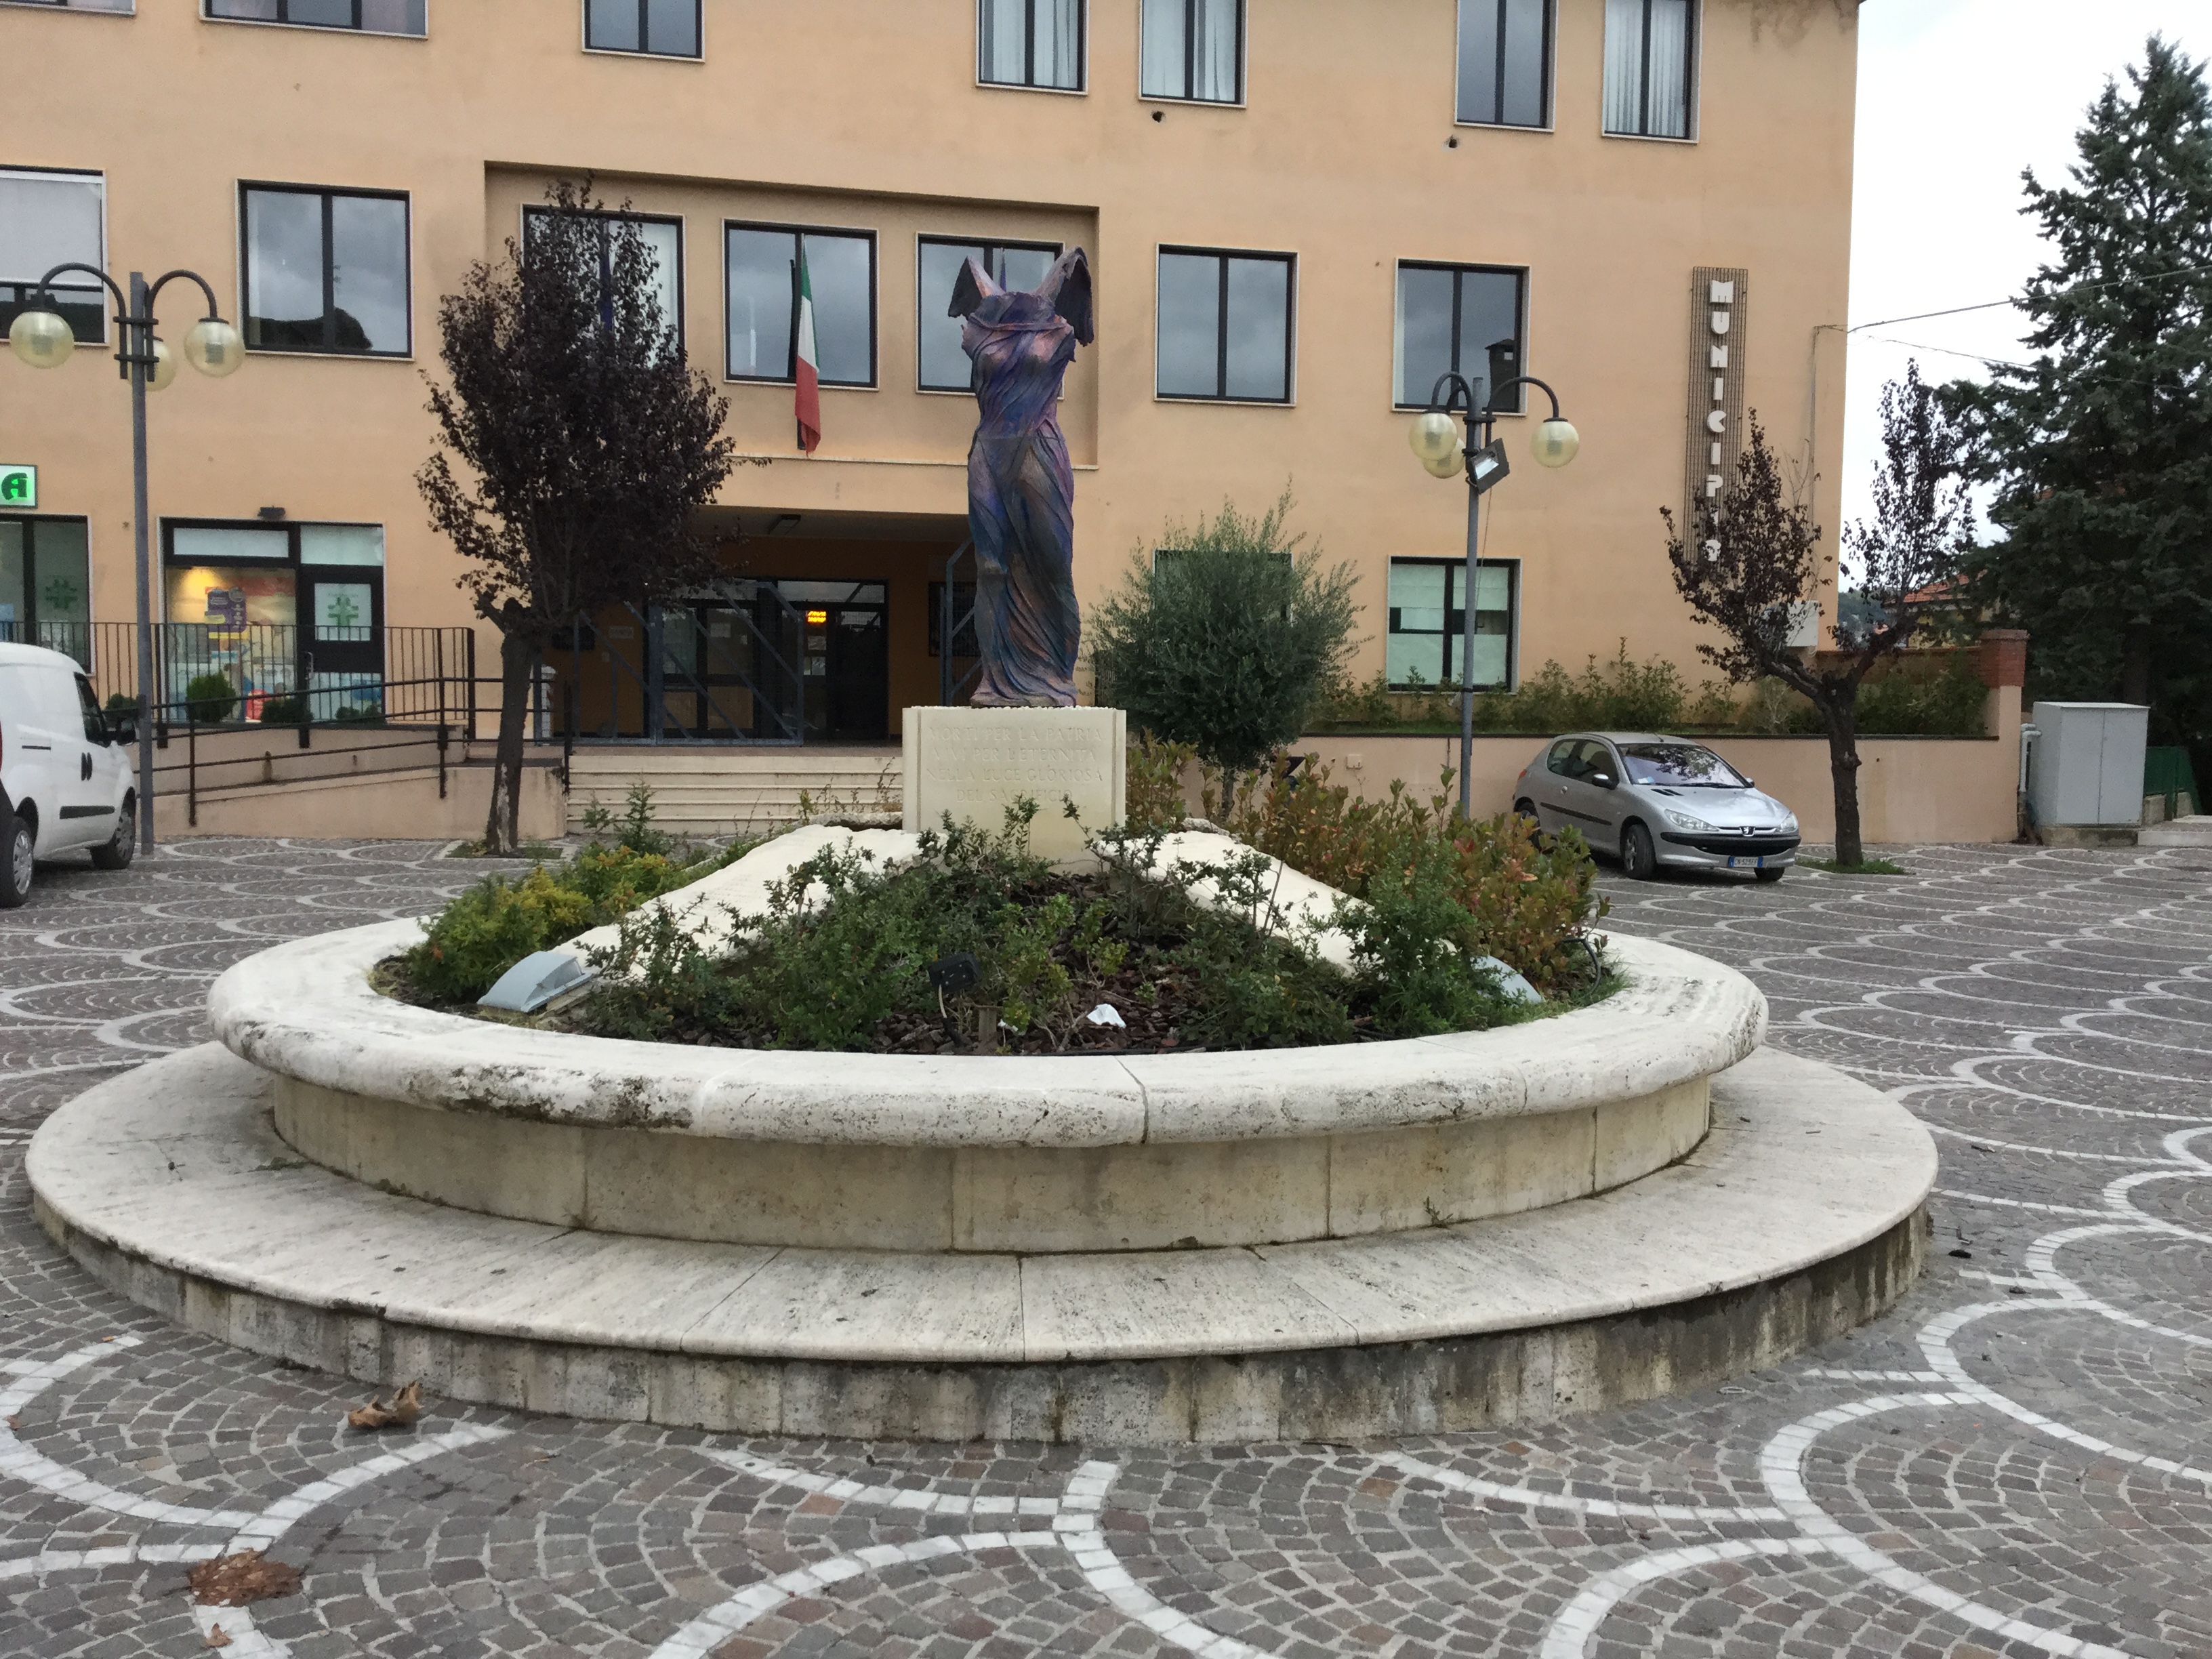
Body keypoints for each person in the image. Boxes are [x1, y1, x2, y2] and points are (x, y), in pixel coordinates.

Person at [951, 247, 1093, 707]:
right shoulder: (984, 323)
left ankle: (1054, 675)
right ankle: (995, 681)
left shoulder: (1055, 323)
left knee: (1054, 566)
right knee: (990, 568)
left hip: (1038, 446)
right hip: (989, 450)